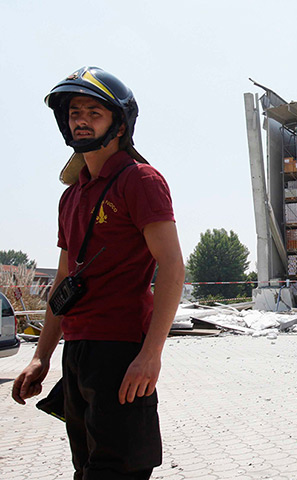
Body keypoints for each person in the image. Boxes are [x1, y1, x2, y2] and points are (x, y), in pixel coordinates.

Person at [11, 66, 185, 480]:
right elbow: (62, 283)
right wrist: (41, 356)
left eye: (94, 112)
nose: (81, 121)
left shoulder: (139, 180)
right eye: (74, 113)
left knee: (119, 471)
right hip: (78, 351)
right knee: (86, 468)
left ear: (119, 124)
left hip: (121, 350)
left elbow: (173, 267)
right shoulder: (71, 195)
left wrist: (150, 355)